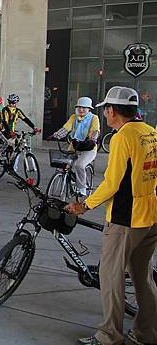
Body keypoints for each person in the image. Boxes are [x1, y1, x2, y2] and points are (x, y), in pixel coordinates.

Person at [65, 86, 157, 345]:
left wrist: (84, 205)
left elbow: (111, 183)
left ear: (112, 110)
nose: (105, 114)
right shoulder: (150, 132)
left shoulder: (122, 137)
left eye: (105, 109)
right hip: (150, 215)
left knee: (110, 277)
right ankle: (146, 333)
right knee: (143, 276)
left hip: (126, 218)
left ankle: (108, 336)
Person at [49, 97, 100, 196]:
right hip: (74, 146)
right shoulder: (74, 117)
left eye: (84, 108)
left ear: (89, 109)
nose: (81, 109)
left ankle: (82, 188)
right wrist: (56, 135)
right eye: (79, 107)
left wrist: (92, 139)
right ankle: (72, 180)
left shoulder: (94, 118)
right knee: (64, 165)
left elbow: (95, 131)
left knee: (79, 165)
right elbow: (66, 128)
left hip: (88, 148)